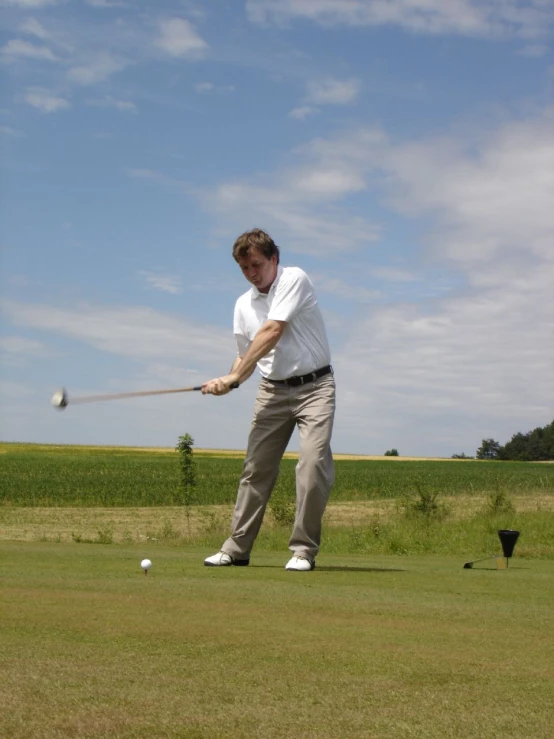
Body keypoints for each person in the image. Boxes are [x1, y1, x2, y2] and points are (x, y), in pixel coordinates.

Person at [201, 228, 336, 571]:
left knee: (311, 465)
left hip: (315, 388)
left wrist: (235, 375)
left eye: (257, 265)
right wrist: (227, 380)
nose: (252, 274)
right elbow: (244, 355)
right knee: (255, 470)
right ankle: (236, 549)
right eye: (245, 268)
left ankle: (303, 551)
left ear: (274, 259)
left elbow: (273, 331)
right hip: (271, 390)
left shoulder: (294, 278)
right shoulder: (242, 304)